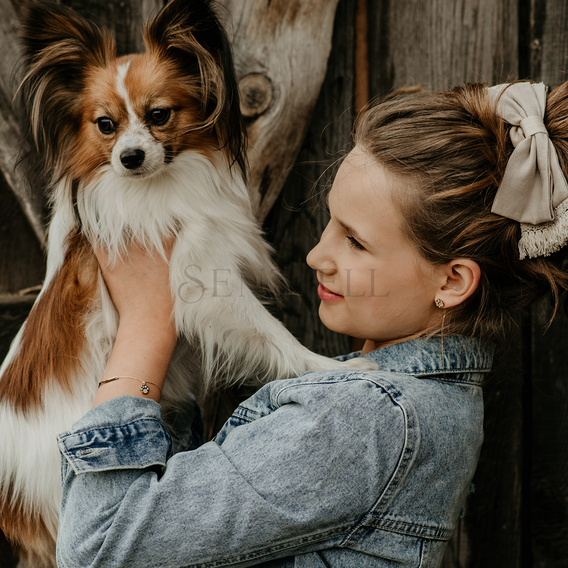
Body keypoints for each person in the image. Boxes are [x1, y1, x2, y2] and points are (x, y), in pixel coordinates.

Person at [56, 81, 568, 567]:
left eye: (355, 241)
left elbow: (100, 547)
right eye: (330, 223)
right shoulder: (424, 406)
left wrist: (148, 320)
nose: (316, 254)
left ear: (453, 281)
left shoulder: (363, 421)